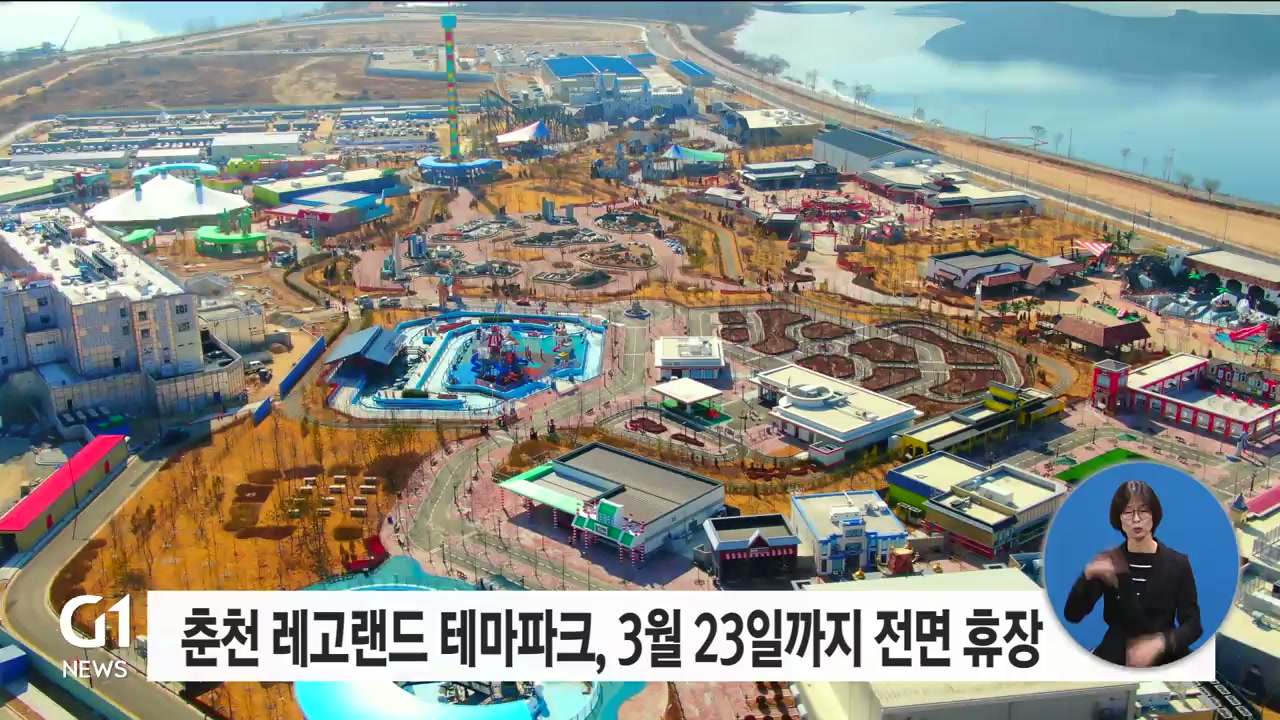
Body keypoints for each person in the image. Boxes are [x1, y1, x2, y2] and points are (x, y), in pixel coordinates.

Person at [1064, 480, 1202, 667]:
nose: (1136, 519)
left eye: (1143, 511)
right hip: (1115, 654)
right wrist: (1086, 578)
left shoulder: (1178, 564)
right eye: (1128, 512)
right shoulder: (1109, 561)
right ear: (1119, 519)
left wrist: (1162, 643)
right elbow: (1072, 614)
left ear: (1154, 515)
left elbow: (1193, 625)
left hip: (1163, 658)